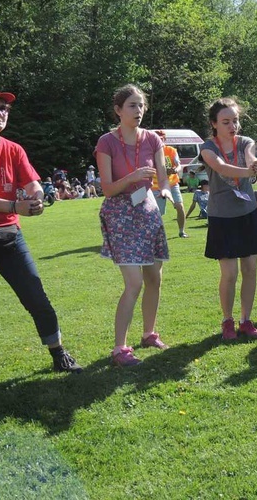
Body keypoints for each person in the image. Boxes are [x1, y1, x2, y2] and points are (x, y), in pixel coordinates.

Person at [0, 88, 82, 396]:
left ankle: (58, 352)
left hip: (7, 234)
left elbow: (31, 181)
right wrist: (14, 206)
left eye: (4, 108)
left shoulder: (14, 149)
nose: (0, 113)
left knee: (35, 295)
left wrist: (36, 196)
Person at [95, 84, 173, 366]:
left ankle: (149, 334)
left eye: (141, 105)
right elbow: (107, 189)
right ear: (118, 110)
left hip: (148, 211)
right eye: (132, 106)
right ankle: (120, 349)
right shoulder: (107, 142)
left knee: (155, 278)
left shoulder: (153, 139)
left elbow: (162, 178)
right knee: (134, 283)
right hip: (120, 214)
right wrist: (132, 177)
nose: (138, 111)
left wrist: (163, 190)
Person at [200, 98, 257, 340]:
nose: (233, 126)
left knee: (250, 269)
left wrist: (255, 165)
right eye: (226, 121)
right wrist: (249, 172)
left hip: (248, 214)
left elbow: (251, 156)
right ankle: (227, 321)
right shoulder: (208, 146)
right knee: (229, 273)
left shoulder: (246, 142)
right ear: (214, 124)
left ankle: (246, 321)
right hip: (222, 218)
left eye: (235, 120)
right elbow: (220, 167)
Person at [153, 130, 188, 238]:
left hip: (172, 183)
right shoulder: (149, 151)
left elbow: (178, 165)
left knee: (179, 206)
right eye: (156, 139)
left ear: (164, 139)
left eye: (161, 138)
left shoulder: (171, 150)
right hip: (156, 185)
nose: (159, 140)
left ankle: (182, 231)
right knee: (158, 212)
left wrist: (175, 170)